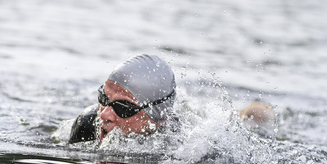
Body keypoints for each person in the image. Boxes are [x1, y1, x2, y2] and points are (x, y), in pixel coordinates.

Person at [69, 54, 275, 144]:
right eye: (103, 97)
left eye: (123, 107)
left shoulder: (183, 144)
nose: (104, 113)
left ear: (156, 116)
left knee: (257, 115)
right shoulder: (87, 125)